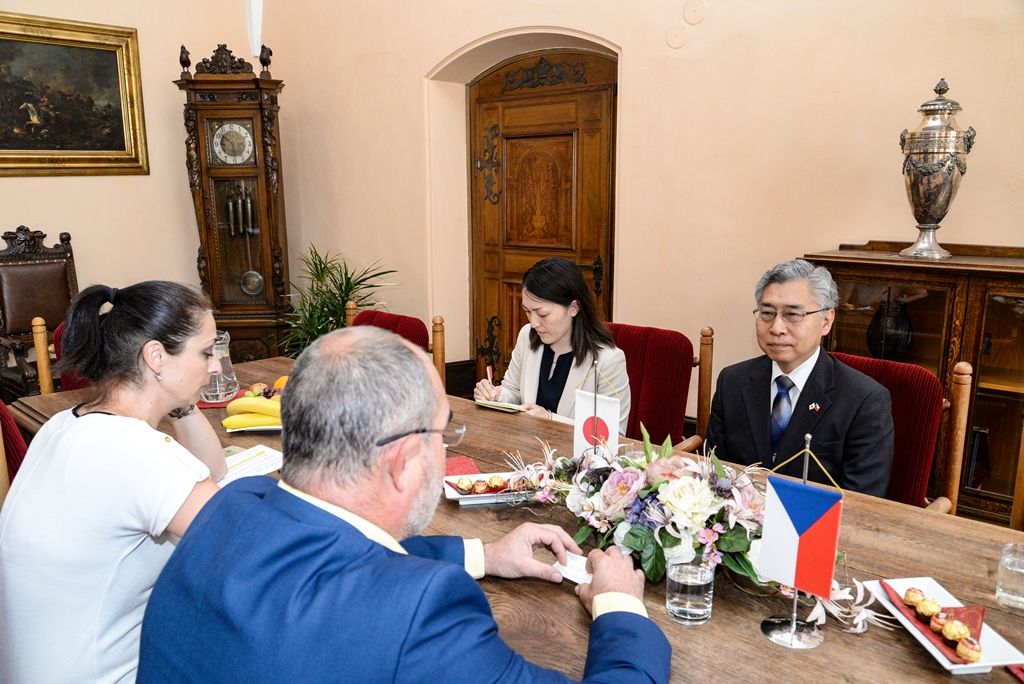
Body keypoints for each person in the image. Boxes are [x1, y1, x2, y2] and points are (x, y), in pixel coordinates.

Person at [138, 326, 670, 683]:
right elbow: (373, 591)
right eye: (442, 433)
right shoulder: (421, 611)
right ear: (401, 461)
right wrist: (619, 604)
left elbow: (339, 553)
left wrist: (485, 554)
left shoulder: (232, 505)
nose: (446, 449)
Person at [0, 281, 228, 683]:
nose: (215, 366)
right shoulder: (140, 455)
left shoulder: (63, 425)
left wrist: (180, 398)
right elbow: (240, 546)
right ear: (156, 356)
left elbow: (212, 472)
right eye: (206, 352)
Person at [704, 259, 894, 496]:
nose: (776, 327)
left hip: (816, 527)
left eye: (793, 314)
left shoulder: (865, 401)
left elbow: (863, 501)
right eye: (767, 313)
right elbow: (714, 471)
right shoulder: (732, 381)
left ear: (826, 321)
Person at [474, 257, 631, 434]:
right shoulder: (527, 336)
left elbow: (612, 434)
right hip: (524, 450)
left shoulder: (608, 360)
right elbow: (513, 390)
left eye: (543, 314)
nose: (534, 323)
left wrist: (550, 420)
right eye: (527, 311)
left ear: (574, 308)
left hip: (574, 460)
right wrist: (494, 395)